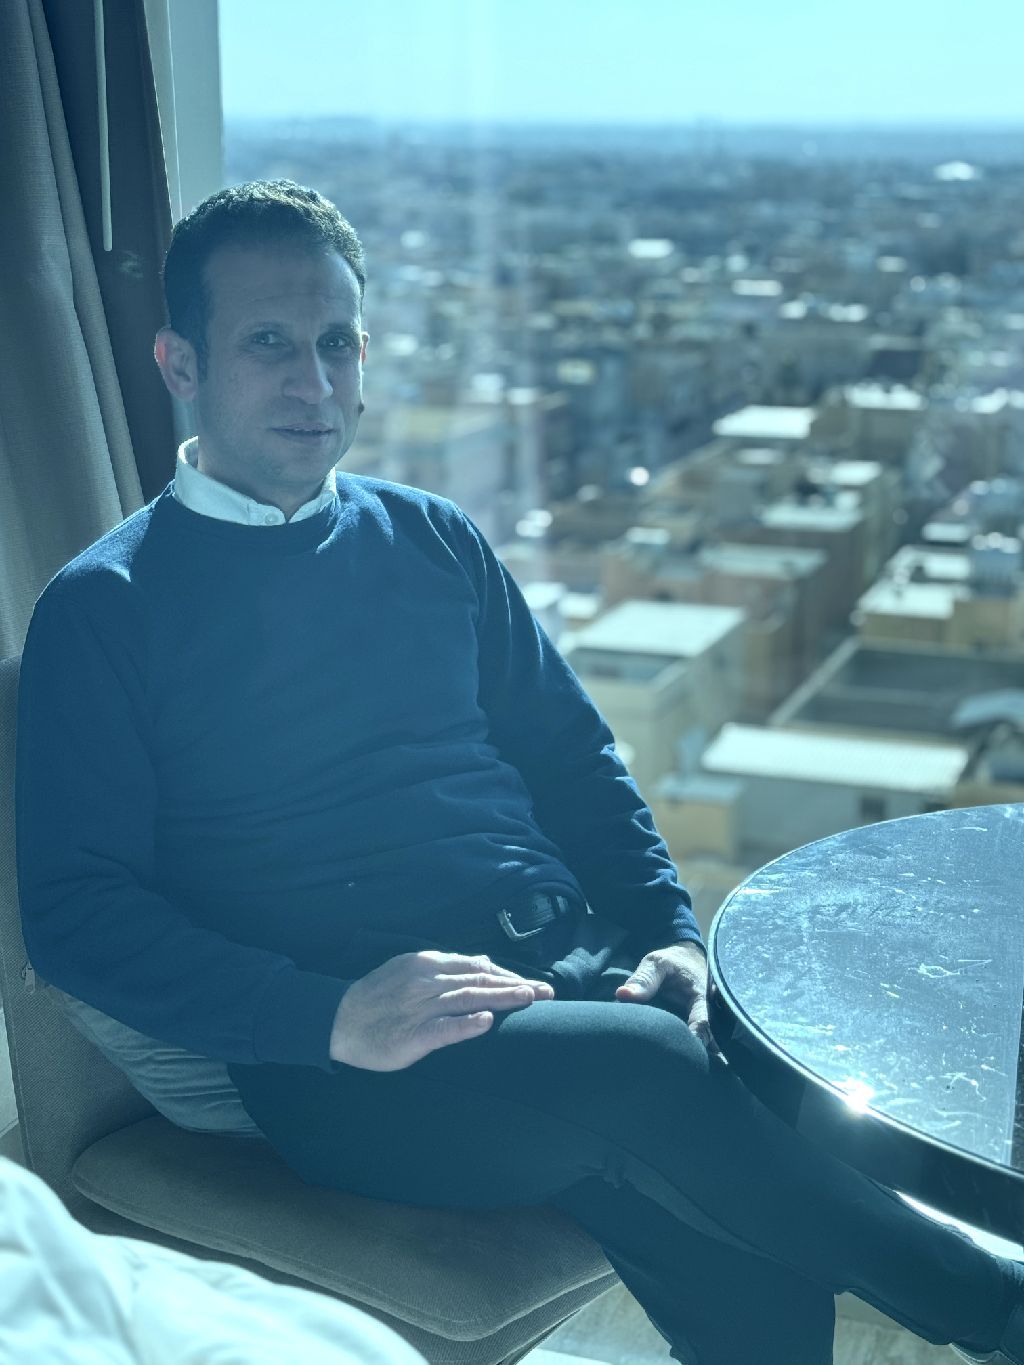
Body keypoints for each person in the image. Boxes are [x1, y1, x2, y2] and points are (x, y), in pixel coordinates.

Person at [14, 180, 1024, 1365]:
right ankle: (996, 1308)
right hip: (364, 1060)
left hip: (569, 972)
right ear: (179, 363)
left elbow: (573, 758)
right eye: (270, 344)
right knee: (654, 1074)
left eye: (337, 344)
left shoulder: (432, 537)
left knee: (725, 1238)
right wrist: (325, 1016)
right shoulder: (107, 607)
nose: (315, 383)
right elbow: (76, 916)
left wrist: (667, 929)